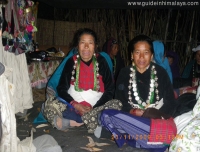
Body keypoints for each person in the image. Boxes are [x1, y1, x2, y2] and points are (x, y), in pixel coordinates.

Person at [97, 35, 177, 151]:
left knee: (163, 134)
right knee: (106, 114)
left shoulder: (161, 73)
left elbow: (171, 103)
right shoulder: (124, 73)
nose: (141, 57)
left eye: (146, 52)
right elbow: (119, 102)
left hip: (155, 121)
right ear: (131, 55)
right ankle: (145, 141)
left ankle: (133, 139)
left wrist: (153, 115)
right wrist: (132, 111)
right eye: (137, 52)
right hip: (132, 118)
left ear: (152, 55)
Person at [43, 28, 122, 132]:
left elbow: (110, 89)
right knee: (48, 105)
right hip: (74, 107)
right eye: (82, 43)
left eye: (90, 43)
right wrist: (76, 105)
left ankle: (76, 122)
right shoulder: (71, 62)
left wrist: (95, 107)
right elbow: (62, 88)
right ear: (77, 46)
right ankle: (93, 121)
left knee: (117, 104)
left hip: (96, 107)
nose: (86, 47)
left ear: (95, 46)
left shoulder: (101, 61)